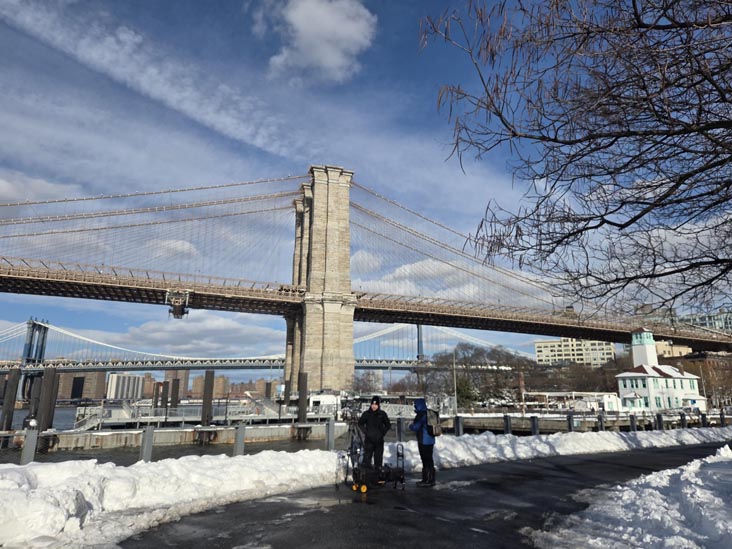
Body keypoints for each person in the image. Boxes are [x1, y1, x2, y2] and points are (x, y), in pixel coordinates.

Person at [358, 395, 391, 470]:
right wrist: (366, 432)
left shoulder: (382, 414)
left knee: (378, 459)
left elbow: (388, 425)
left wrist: (383, 433)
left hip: (379, 440)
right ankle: (367, 476)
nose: (374, 406)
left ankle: (378, 476)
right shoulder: (366, 414)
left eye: (376, 405)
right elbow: (360, 423)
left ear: (378, 405)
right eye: (373, 404)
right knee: (367, 459)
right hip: (369, 440)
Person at [409, 398, 436, 487]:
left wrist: (410, 426)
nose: (414, 406)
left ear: (419, 405)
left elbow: (416, 427)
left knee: (425, 461)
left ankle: (426, 480)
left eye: (415, 405)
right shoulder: (429, 413)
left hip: (423, 441)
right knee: (430, 460)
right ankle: (432, 479)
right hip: (431, 440)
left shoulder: (421, 415)